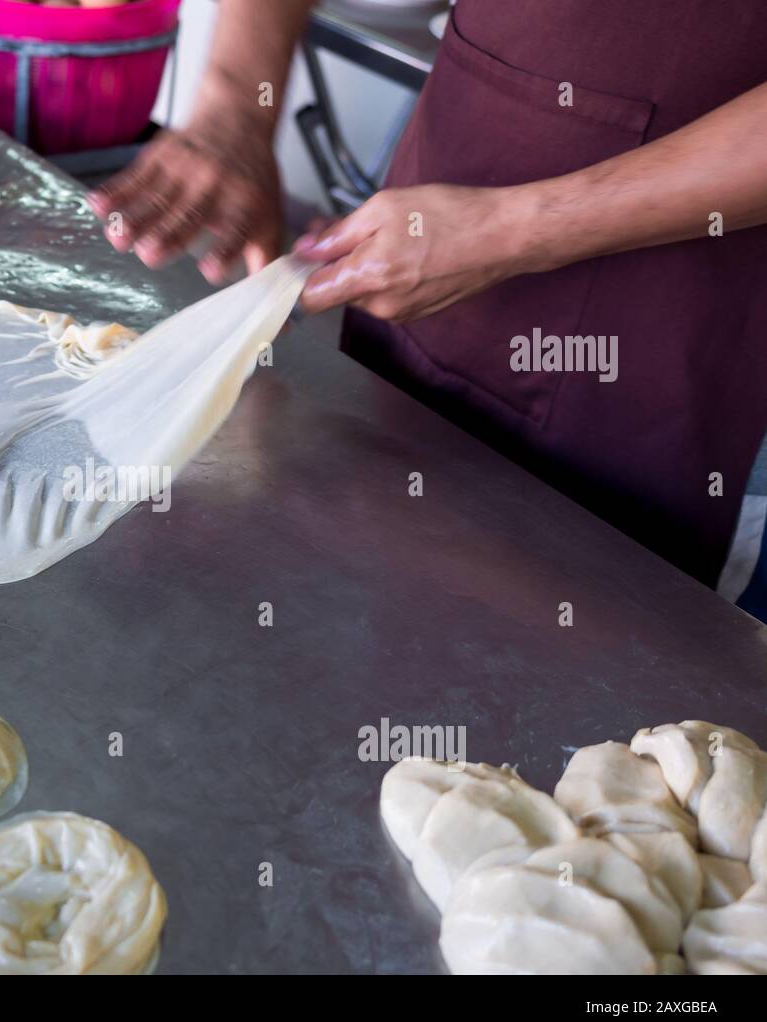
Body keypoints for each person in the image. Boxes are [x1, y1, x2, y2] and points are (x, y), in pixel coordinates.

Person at [88, 0, 767, 618]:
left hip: (674, 331)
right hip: (432, 244)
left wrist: (513, 229)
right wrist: (236, 104)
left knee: (595, 647)